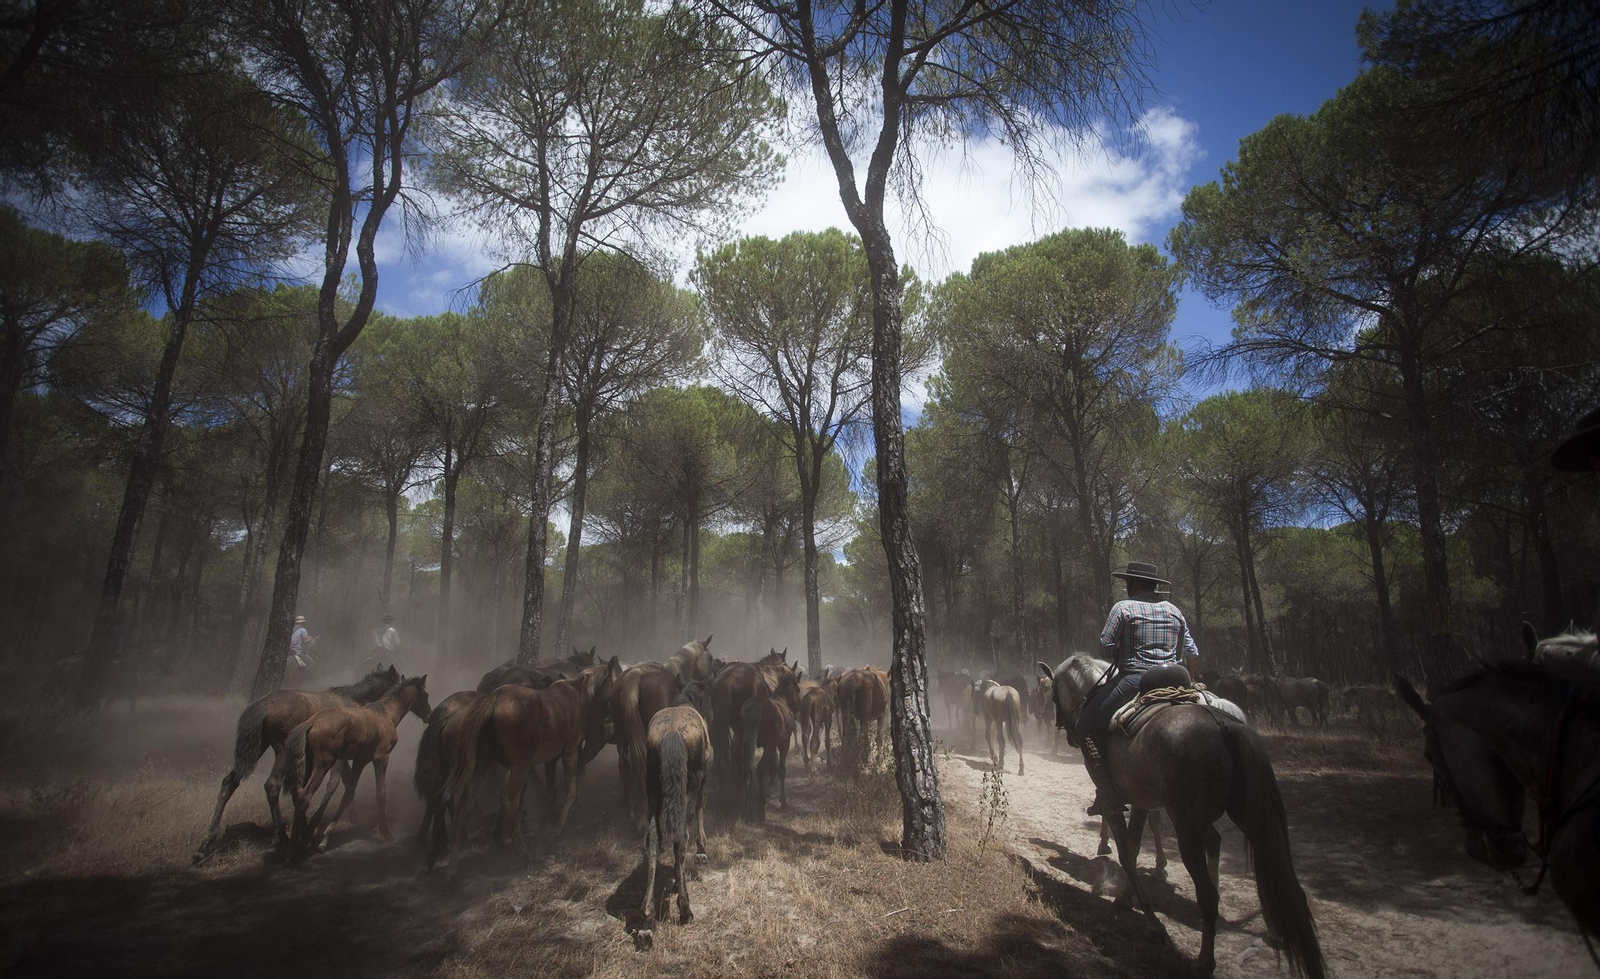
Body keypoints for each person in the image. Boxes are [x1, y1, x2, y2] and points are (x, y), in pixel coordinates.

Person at [1074, 561, 1200, 816]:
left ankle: (1108, 793)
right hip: (1178, 679)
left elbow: (1105, 648)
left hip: (1137, 680)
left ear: (1135, 584)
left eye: (1128, 582)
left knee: (1084, 726)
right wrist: (1190, 681)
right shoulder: (1174, 610)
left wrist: (1124, 649)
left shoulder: (1123, 608)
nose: (1127, 586)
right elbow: (1192, 652)